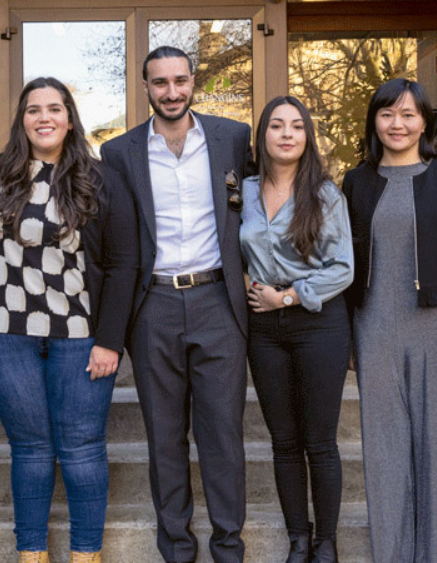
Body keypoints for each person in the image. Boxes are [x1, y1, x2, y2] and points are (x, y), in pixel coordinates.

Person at [0, 77, 138, 563]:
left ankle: (87, 555)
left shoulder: (99, 178)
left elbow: (125, 262)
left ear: (69, 118)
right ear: (22, 119)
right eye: (33, 109)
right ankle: (32, 554)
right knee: (30, 450)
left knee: (83, 449)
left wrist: (111, 340)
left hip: (80, 336)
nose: (44, 117)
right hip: (5, 334)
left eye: (55, 109)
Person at [100, 46, 253, 563]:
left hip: (218, 302)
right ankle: (177, 550)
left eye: (180, 80)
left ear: (194, 82)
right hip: (153, 307)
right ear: (145, 87)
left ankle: (229, 548)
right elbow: (115, 241)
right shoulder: (118, 153)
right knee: (165, 438)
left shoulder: (232, 138)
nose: (171, 91)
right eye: (160, 82)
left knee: (223, 437)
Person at [343, 78, 437, 563]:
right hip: (373, 328)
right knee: (385, 452)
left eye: (408, 115)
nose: (397, 124)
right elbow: (346, 265)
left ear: (425, 122)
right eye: (387, 114)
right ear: (374, 122)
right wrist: (349, 341)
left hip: (436, 329)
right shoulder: (356, 181)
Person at [240, 96, 353, 563]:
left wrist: (286, 296)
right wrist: (248, 282)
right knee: (284, 440)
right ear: (263, 136)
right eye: (276, 126)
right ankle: (298, 538)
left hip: (318, 323)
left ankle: (326, 542)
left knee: (319, 440)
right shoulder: (242, 189)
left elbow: (343, 268)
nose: (287, 134)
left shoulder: (325, 194)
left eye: (297, 127)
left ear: (307, 138)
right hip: (264, 329)